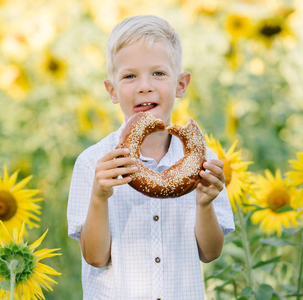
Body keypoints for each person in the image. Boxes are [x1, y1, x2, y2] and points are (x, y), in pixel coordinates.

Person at [67, 15, 235, 299]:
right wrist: (99, 197)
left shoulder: (202, 160)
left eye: (158, 73)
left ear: (181, 84)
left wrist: (204, 204)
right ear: (112, 91)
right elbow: (95, 257)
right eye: (130, 76)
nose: (144, 86)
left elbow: (210, 252)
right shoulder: (94, 164)